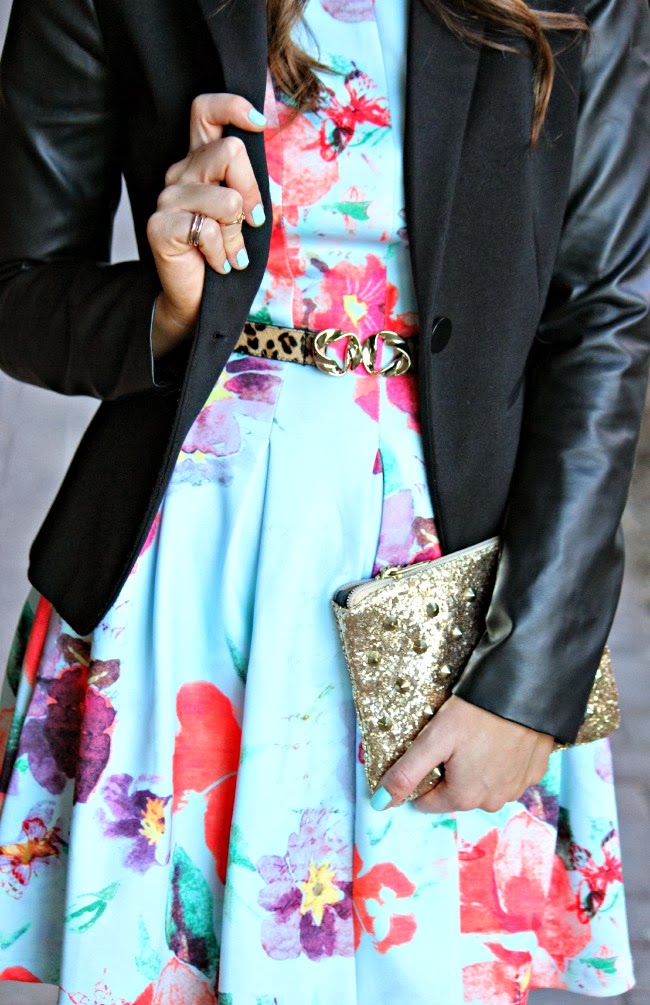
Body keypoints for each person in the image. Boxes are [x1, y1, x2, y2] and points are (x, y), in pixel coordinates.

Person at [0, 0, 648, 1001]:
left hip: (452, 590)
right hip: (187, 570)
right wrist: (165, 307)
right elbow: (20, 291)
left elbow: (602, 317)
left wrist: (527, 681)